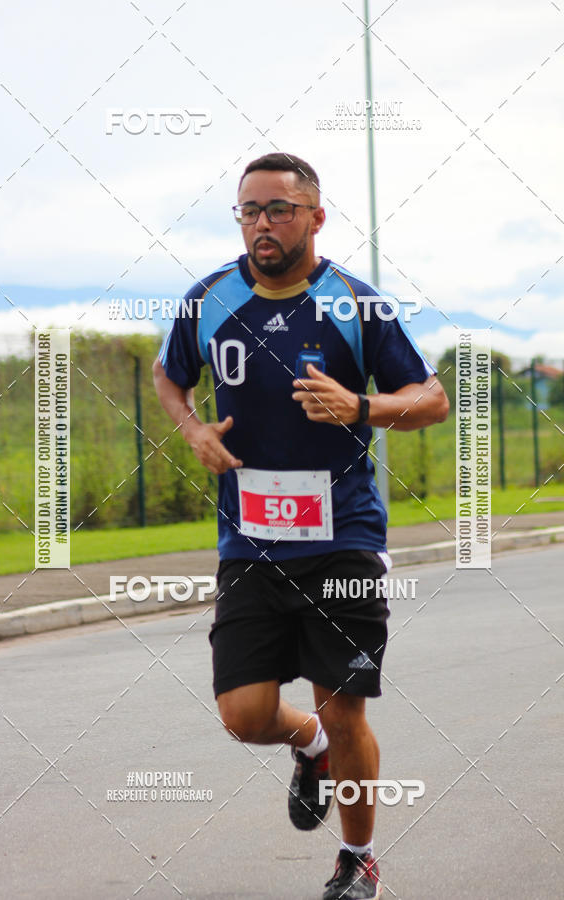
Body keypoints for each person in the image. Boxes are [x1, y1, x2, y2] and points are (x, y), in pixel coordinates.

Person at [153, 152, 449, 899]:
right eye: (249, 210)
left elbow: (431, 397)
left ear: (316, 217)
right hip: (249, 542)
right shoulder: (209, 300)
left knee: (341, 704)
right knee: (244, 715)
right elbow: (168, 375)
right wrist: (191, 429)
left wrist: (361, 407)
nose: (261, 224)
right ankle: (307, 746)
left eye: (278, 210)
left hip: (343, 535)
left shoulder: (356, 305)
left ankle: (358, 858)